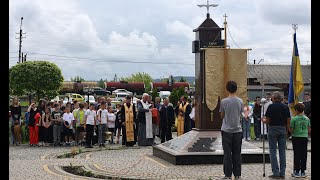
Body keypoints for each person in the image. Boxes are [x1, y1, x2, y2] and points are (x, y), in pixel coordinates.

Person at [262, 91, 291, 179]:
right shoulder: (285, 107)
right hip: (282, 129)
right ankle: (282, 172)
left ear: (273, 98)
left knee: (273, 151)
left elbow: (267, 120)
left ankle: (275, 172)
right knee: (282, 152)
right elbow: (288, 119)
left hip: (273, 129)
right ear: (280, 98)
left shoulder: (271, 106)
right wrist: (288, 130)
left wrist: (264, 121)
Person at [219, 81, 243, 180]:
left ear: (227, 89)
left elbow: (222, 115)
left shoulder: (224, 101)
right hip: (238, 130)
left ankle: (228, 175)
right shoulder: (240, 101)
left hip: (226, 130)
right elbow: (242, 113)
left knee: (227, 154)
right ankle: (237, 174)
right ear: (236, 88)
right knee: (237, 153)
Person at [290, 103, 311, 178]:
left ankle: (297, 171)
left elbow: (291, 130)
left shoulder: (294, 119)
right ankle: (303, 171)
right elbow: (309, 130)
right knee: (303, 155)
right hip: (304, 137)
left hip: (296, 137)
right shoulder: (307, 119)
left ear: (296, 110)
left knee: (297, 154)